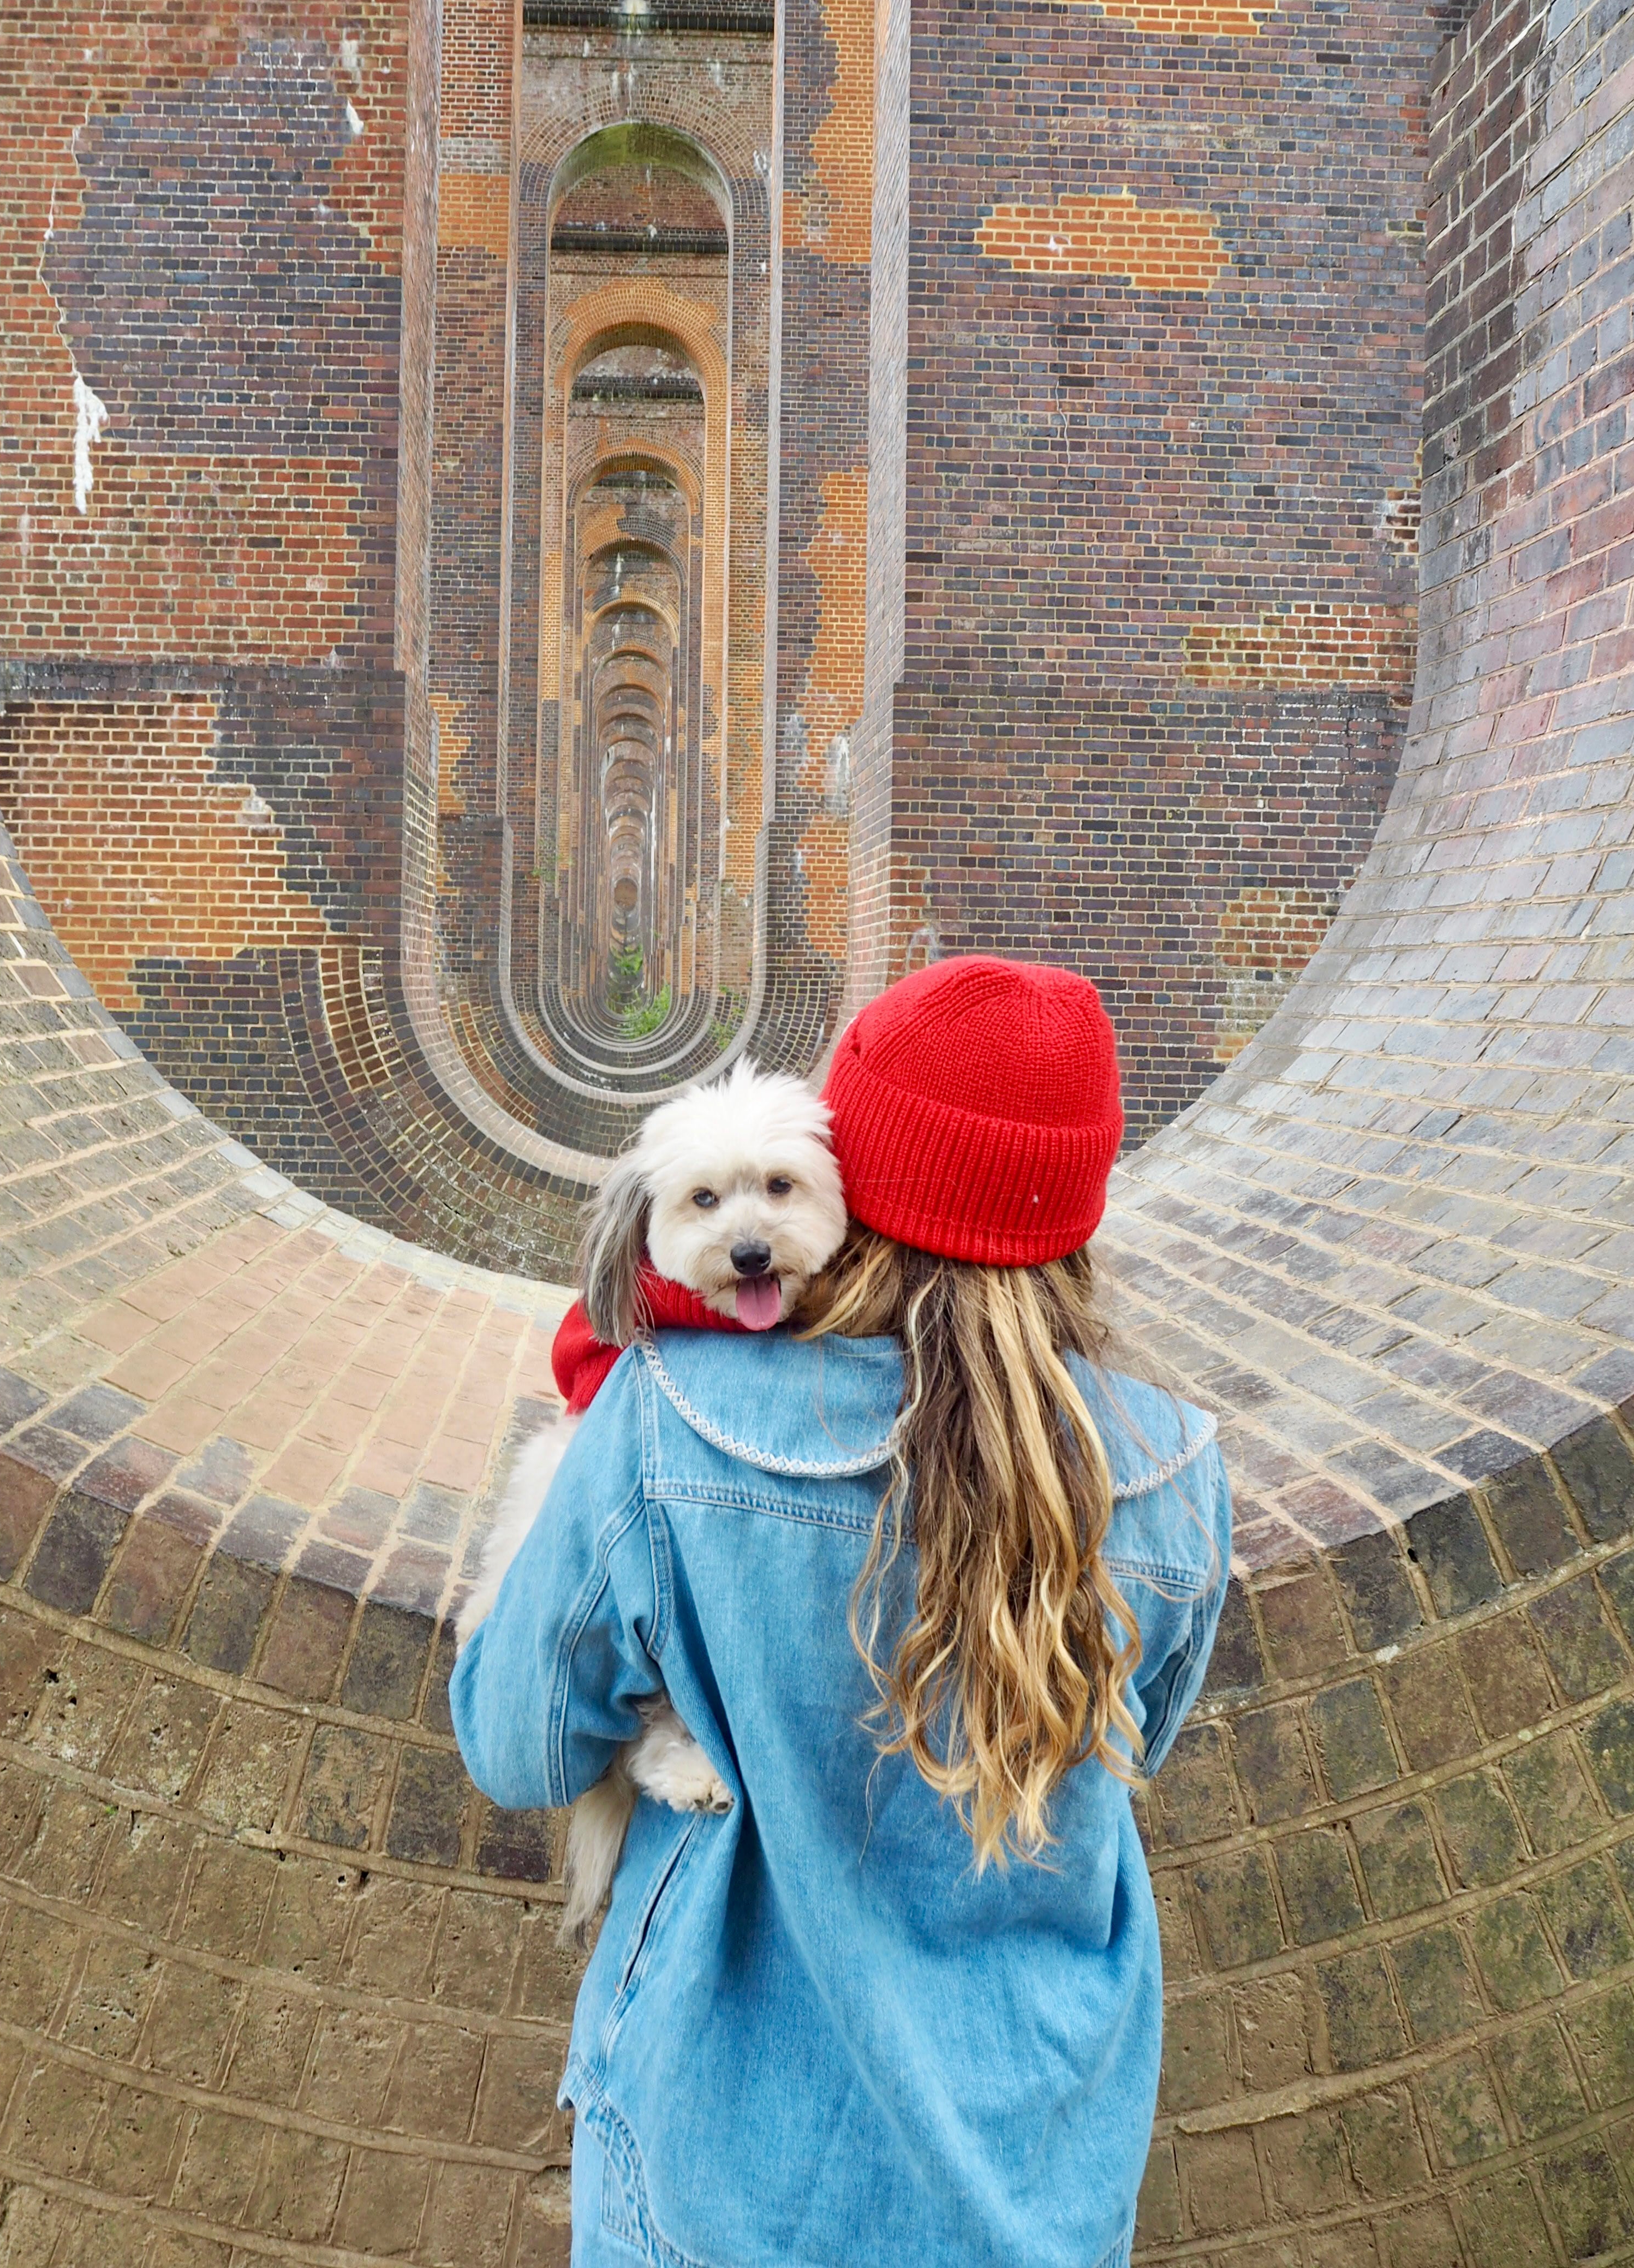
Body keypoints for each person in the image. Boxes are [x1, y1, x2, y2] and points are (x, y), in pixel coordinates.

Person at [451, 956, 1231, 2268]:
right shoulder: (1168, 1464)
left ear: (859, 1173)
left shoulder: (662, 1417)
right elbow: (1133, 1740)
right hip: (1034, 2164)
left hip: (719, 2163)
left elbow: (518, 1748)